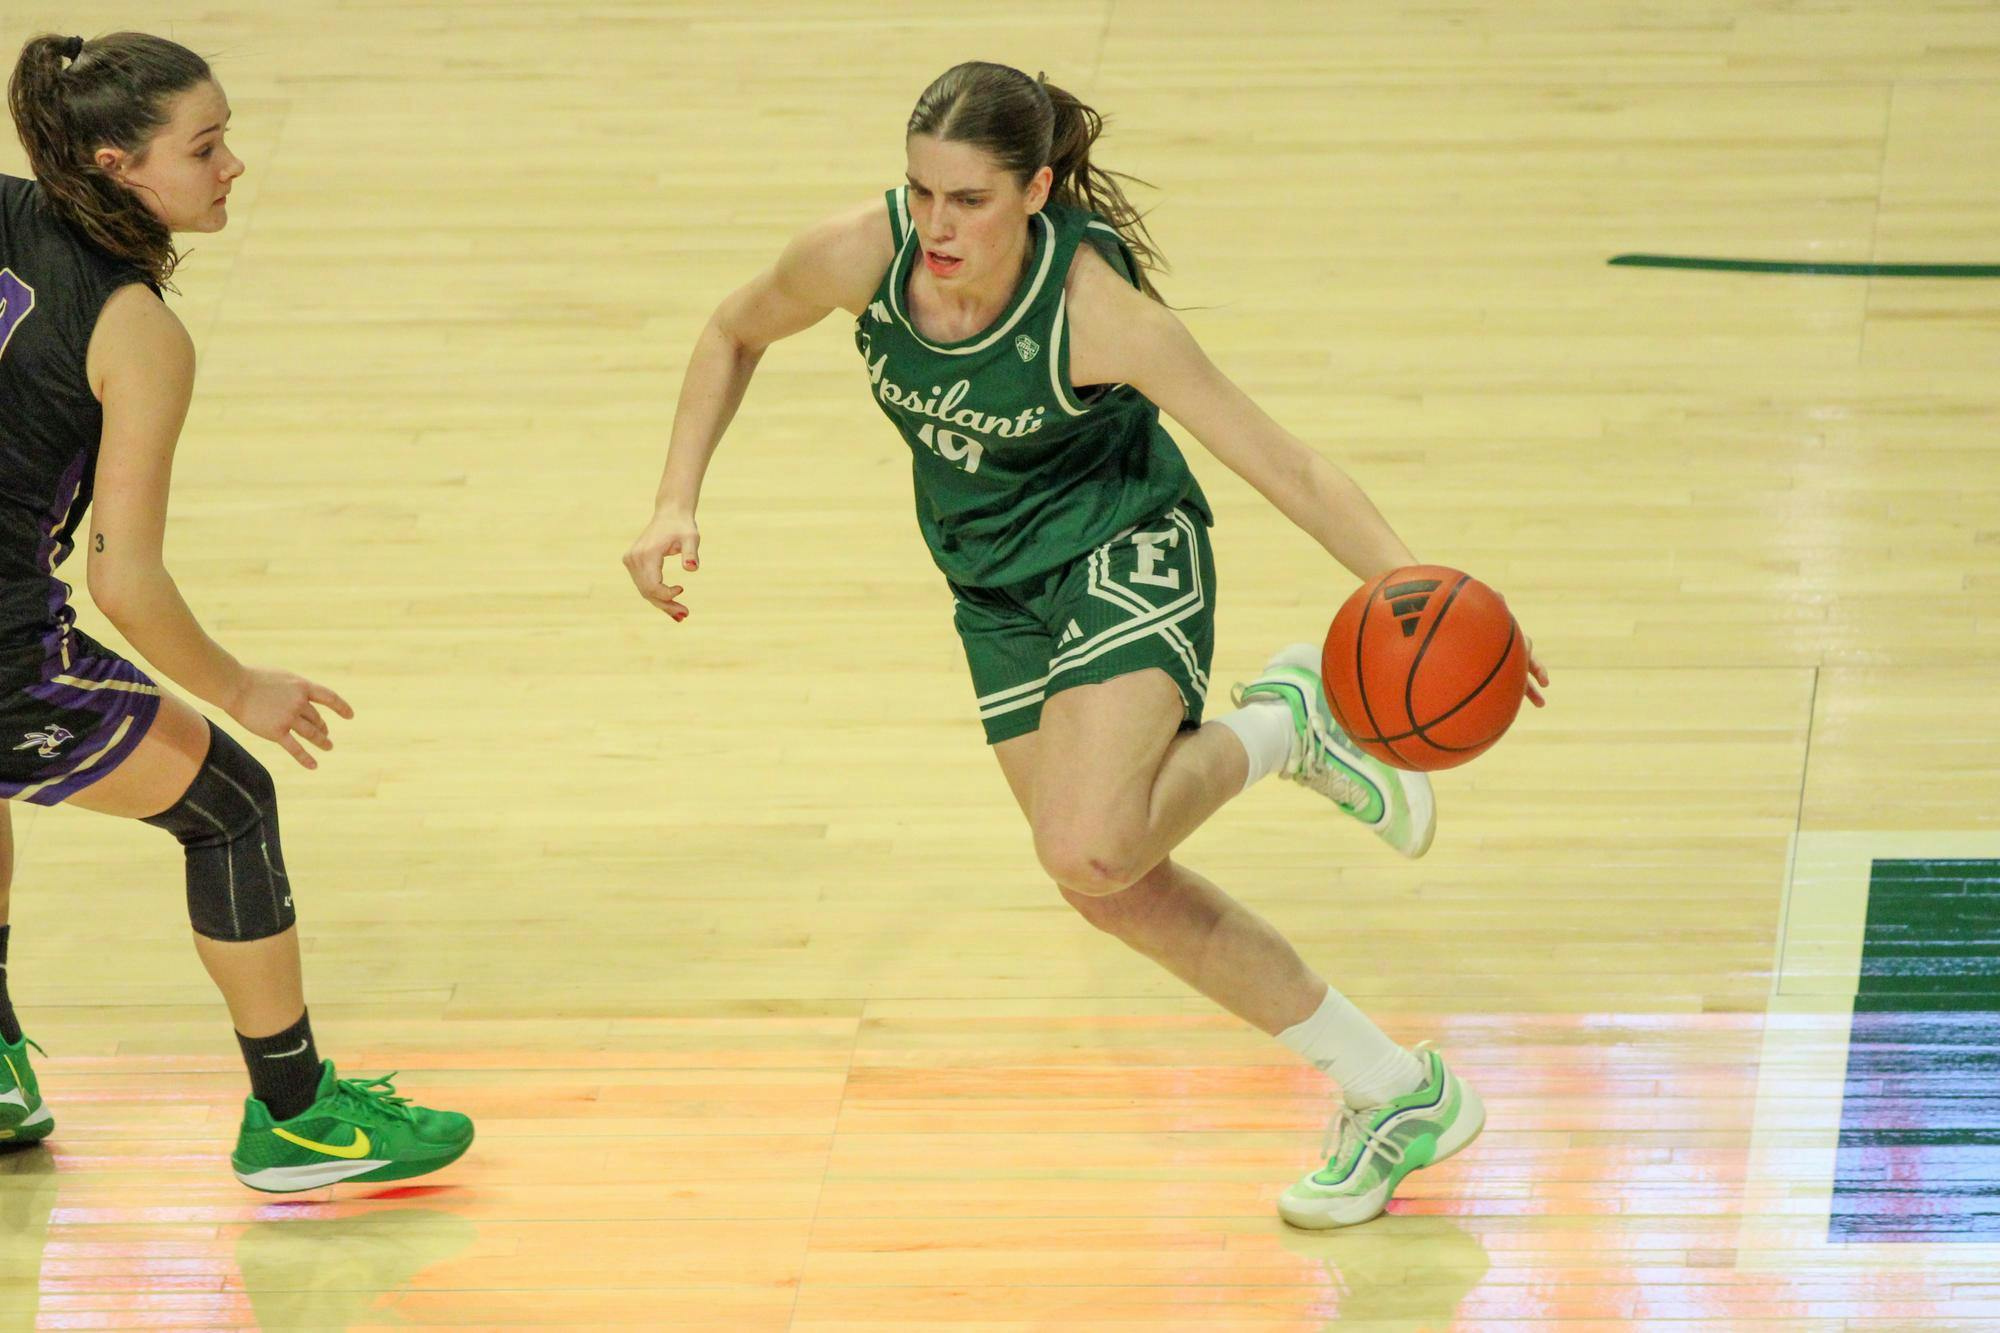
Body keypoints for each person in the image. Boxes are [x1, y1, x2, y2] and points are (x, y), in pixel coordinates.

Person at [628, 61, 1553, 1227]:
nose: (936, 225)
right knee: (1101, 883)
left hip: (1122, 544)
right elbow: (730, 330)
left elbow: (1285, 462)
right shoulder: (857, 254)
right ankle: (1394, 1092)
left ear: (1036, 189)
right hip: (992, 585)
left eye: (968, 199)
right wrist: (675, 499)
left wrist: (1420, 594)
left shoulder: (1097, 312)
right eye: (920, 192)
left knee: (1091, 838)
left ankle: (1287, 721)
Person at [0, 31, 472, 1191]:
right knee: (227, 802)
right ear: (116, 166)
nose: (232, 167)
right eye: (204, 147)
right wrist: (239, 686)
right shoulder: (137, 332)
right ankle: (299, 1115)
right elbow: (127, 580)